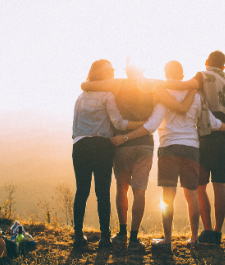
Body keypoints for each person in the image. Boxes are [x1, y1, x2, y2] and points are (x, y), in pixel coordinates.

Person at [110, 61, 225, 250]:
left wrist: (126, 137)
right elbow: (212, 123)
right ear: (182, 75)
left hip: (169, 148)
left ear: (166, 74)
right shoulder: (196, 95)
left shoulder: (164, 95)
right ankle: (194, 239)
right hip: (192, 149)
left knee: (168, 196)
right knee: (192, 196)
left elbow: (152, 125)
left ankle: (167, 240)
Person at [81, 59, 196, 251]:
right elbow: (177, 100)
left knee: (122, 187)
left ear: (127, 70)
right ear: (143, 68)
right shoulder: (153, 85)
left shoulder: (117, 83)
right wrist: (193, 87)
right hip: (145, 144)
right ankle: (134, 239)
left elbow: (86, 85)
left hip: (121, 144)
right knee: (139, 191)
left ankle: (122, 233)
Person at [155, 51, 225, 245]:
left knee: (199, 187)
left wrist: (155, 84)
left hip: (208, 136)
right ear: (224, 67)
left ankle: (206, 232)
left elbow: (183, 86)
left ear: (206, 62)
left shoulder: (203, 76)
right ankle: (217, 234)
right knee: (220, 184)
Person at [72, 59, 146, 249]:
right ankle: (105, 238)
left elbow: (75, 126)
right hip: (102, 147)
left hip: (80, 145)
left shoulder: (81, 96)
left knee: (82, 191)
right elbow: (119, 124)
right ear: (100, 74)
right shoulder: (107, 95)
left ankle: (78, 236)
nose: (113, 72)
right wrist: (143, 124)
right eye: (109, 70)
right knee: (102, 193)